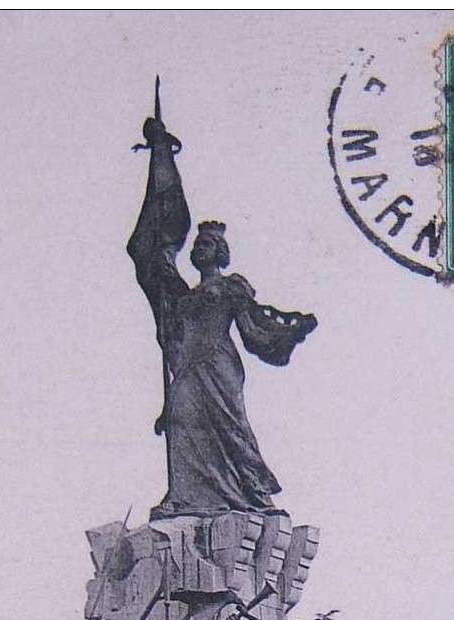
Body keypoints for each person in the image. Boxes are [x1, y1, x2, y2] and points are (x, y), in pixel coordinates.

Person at [128, 111, 316, 517]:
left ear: (221, 253)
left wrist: (285, 332)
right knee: (181, 420)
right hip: (189, 370)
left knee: (231, 427)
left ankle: (254, 494)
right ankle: (183, 497)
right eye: (197, 244)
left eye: (208, 244)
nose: (200, 249)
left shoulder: (231, 287)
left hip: (218, 365)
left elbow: (252, 330)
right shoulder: (180, 298)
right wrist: (160, 151)